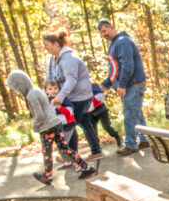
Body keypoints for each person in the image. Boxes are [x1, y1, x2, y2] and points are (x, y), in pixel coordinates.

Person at [7, 71, 96, 185]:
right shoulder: (36, 90)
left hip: (47, 127)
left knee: (49, 152)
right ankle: (86, 168)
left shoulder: (31, 95)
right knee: (63, 149)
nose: (17, 90)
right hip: (55, 124)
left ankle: (49, 176)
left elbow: (39, 115)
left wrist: (35, 127)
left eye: (16, 87)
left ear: (21, 83)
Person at [43, 30, 102, 160]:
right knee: (84, 122)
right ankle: (95, 151)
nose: (45, 48)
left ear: (55, 44)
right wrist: (44, 95)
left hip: (80, 96)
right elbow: (49, 78)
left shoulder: (68, 58)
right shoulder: (53, 59)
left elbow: (72, 80)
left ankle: (67, 155)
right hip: (70, 96)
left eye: (46, 45)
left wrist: (61, 96)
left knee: (68, 123)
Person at [98, 19, 150, 156]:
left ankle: (131, 144)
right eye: (101, 32)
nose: (103, 34)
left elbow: (127, 65)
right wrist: (107, 83)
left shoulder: (122, 41)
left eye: (104, 30)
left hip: (132, 84)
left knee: (130, 114)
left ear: (112, 27)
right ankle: (145, 139)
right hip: (128, 83)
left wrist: (121, 84)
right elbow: (115, 67)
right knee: (136, 112)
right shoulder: (114, 43)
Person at [43, 80, 79, 169]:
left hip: (67, 125)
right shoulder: (47, 100)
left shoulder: (62, 99)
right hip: (58, 127)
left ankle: (77, 162)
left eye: (56, 88)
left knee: (62, 146)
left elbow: (69, 112)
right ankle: (69, 161)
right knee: (69, 145)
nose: (53, 91)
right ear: (45, 91)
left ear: (59, 89)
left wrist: (58, 107)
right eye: (50, 89)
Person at [88, 83, 123, 147]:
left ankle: (118, 137)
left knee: (106, 127)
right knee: (93, 130)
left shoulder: (93, 86)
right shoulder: (77, 91)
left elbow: (101, 94)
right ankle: (97, 145)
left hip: (101, 110)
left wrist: (90, 107)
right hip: (91, 113)